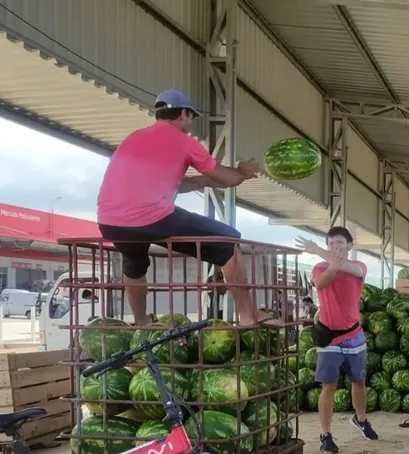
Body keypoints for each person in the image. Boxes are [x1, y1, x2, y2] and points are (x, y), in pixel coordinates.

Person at [95, 89, 278, 328]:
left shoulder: (134, 138)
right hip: (151, 217)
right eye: (191, 118)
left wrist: (201, 181)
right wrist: (242, 171)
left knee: (134, 263)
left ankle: (141, 322)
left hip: (110, 222)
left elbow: (168, 186)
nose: (190, 125)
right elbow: (228, 179)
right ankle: (249, 316)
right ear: (183, 114)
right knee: (228, 241)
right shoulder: (185, 142)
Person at [297, 228, 378, 453]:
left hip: (354, 335)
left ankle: (361, 419)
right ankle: (326, 434)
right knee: (329, 386)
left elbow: (349, 267)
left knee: (358, 381)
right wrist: (330, 260)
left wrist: (318, 250)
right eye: (331, 244)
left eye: (340, 243)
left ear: (350, 246)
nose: (335, 248)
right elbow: (322, 283)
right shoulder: (319, 268)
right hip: (329, 337)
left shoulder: (358, 268)